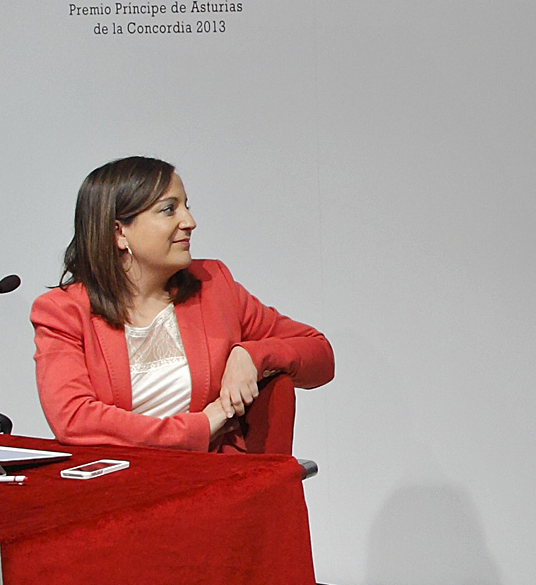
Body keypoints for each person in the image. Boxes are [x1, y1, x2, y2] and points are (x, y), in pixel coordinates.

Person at [32, 157, 335, 451]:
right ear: (119, 232)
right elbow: (74, 419)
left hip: (205, 483)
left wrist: (252, 355)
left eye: (186, 207)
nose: (189, 222)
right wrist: (202, 425)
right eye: (168, 210)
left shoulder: (214, 286)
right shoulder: (62, 311)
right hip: (115, 487)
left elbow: (319, 353)